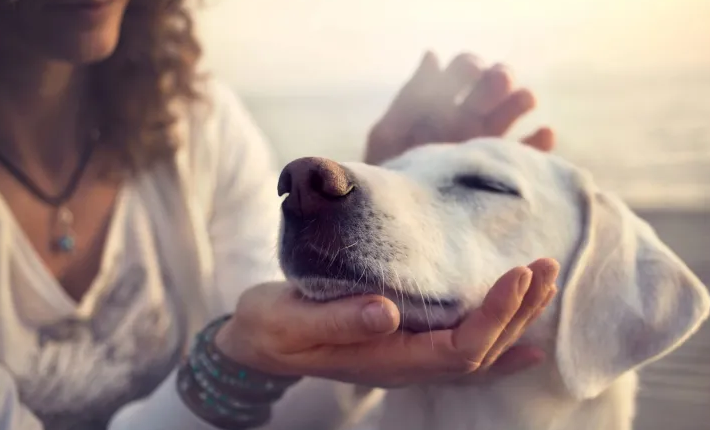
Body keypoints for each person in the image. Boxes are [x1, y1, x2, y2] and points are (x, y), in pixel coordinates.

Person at [0, 1, 559, 429]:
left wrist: (385, 213)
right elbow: (258, 357)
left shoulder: (195, 124)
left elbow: (293, 402)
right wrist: (231, 361)